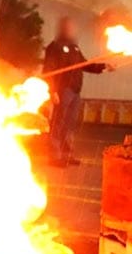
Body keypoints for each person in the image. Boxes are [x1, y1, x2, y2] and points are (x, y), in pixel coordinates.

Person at [43, 16, 111, 167]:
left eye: (73, 27)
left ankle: (66, 155)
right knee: (58, 123)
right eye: (69, 27)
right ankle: (55, 156)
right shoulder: (55, 47)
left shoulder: (74, 47)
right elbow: (48, 70)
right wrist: (53, 91)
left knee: (70, 124)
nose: (72, 30)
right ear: (63, 28)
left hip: (75, 91)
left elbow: (84, 64)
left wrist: (103, 67)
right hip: (63, 90)